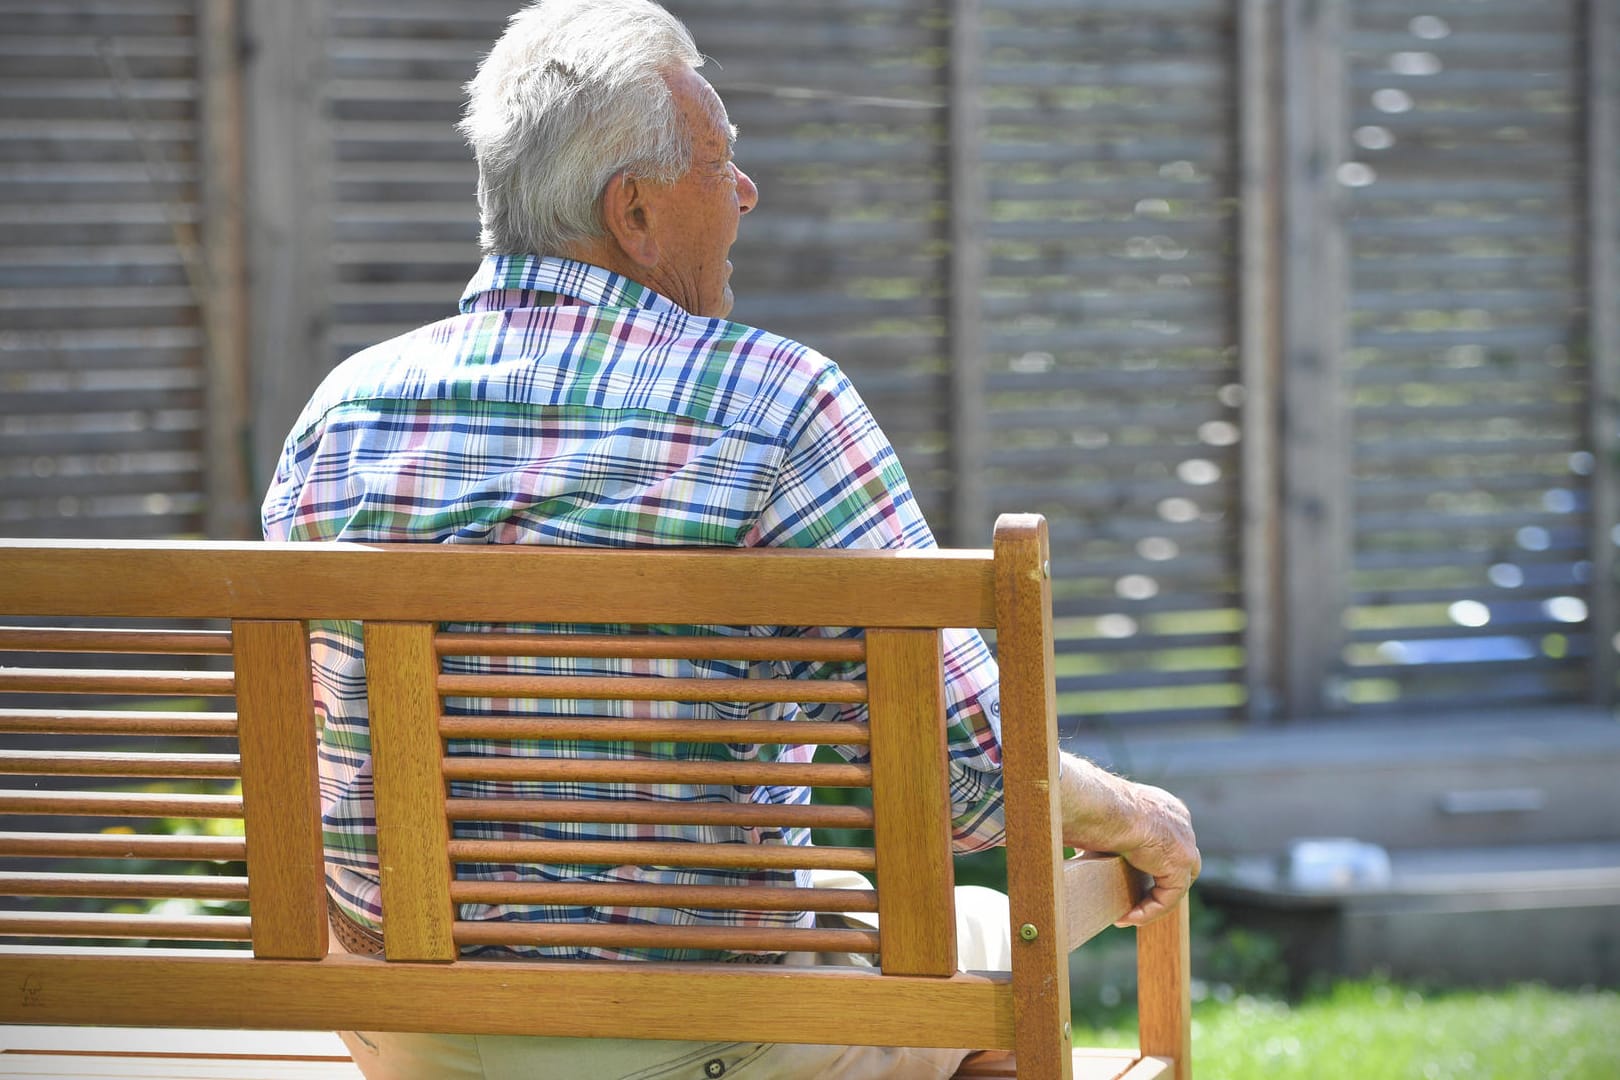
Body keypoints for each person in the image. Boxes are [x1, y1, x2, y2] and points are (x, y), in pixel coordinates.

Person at [261, 2, 1199, 1077]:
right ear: (636, 212)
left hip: (402, 1029)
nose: (746, 191)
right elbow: (980, 782)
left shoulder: (343, 412)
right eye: (720, 163)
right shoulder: (774, 401)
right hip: (689, 1031)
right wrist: (1138, 815)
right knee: (986, 979)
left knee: (871, 928)